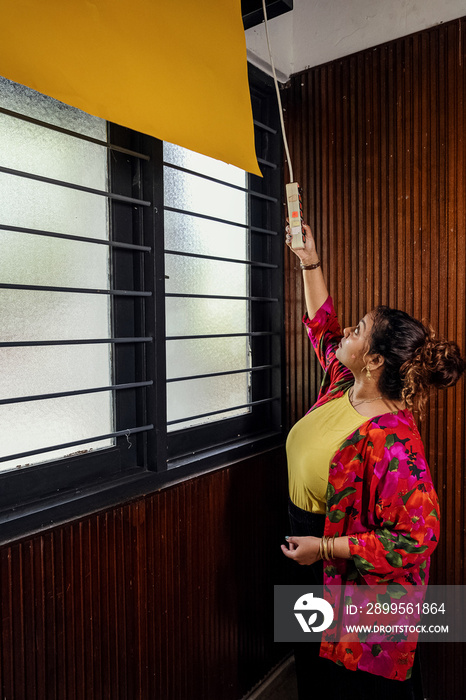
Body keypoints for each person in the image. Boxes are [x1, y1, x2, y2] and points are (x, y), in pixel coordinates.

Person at [281, 222, 465, 700]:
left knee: (351, 683)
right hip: (304, 543)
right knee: (311, 665)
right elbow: (322, 326)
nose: (346, 330)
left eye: (358, 330)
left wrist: (323, 549)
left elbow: (418, 537)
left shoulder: (393, 443)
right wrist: (309, 260)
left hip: (341, 566)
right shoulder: (343, 382)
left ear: (376, 361)